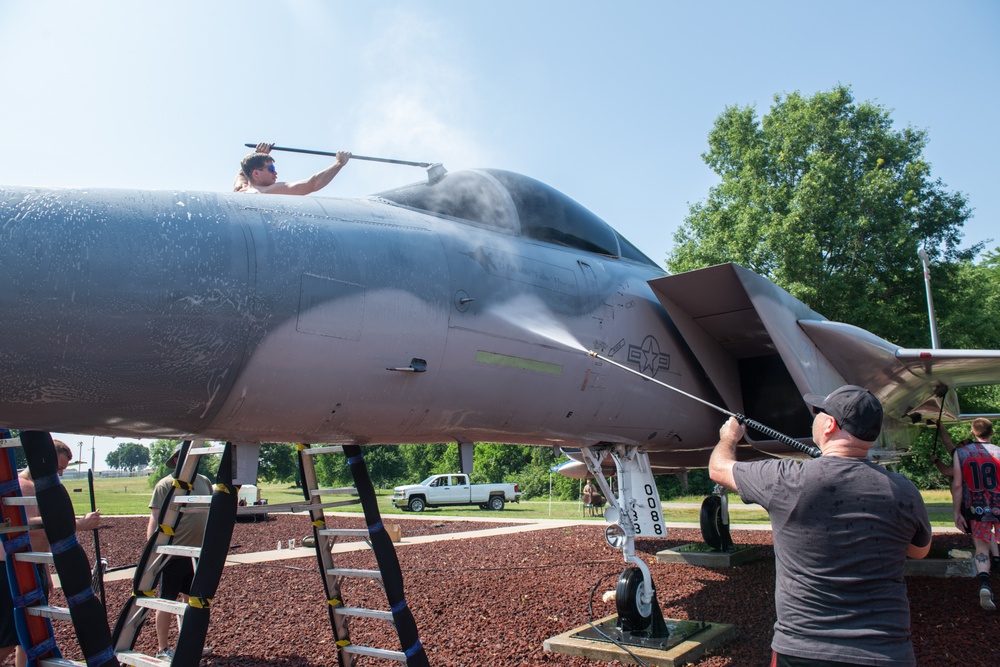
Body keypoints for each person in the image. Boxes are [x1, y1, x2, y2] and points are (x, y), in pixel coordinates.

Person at [709, 385, 932, 667]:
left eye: (819, 412)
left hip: (802, 651)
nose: (814, 417)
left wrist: (729, 437)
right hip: (887, 653)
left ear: (829, 424)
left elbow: (718, 468)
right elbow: (919, 552)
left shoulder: (787, 479)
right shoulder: (904, 491)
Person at [1, 440, 101, 667]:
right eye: (58, 468)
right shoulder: (22, 485)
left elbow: (40, 540)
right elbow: (28, 526)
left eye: (63, 469)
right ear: (42, 460)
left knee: (30, 638)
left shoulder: (41, 487)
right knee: (9, 638)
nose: (60, 474)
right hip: (14, 569)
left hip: (33, 565)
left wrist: (45, 572)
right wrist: (79, 523)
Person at [147, 444, 212, 660]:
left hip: (197, 554)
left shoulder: (204, 482)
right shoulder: (165, 485)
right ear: (177, 460)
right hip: (171, 554)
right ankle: (162, 649)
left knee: (192, 601)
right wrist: (153, 553)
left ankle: (189, 644)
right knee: (166, 601)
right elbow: (155, 520)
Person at [950, 417, 1000, 611]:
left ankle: (985, 584)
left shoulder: (961, 453)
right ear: (992, 433)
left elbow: (956, 485)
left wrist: (957, 512)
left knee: (981, 548)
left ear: (972, 432)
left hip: (976, 507)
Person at [234, 141, 351, 195]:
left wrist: (258, 154)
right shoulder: (268, 191)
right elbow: (312, 184)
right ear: (256, 173)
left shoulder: (239, 189)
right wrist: (339, 163)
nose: (275, 173)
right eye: (271, 169)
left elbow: (243, 171)